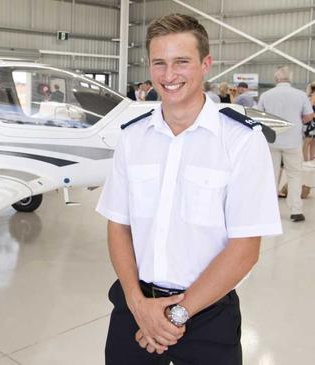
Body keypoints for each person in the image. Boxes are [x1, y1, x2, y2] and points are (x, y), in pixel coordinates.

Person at [96, 13, 281, 365]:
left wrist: (175, 316)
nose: (169, 76)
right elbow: (118, 224)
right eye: (159, 63)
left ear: (205, 64)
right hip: (134, 309)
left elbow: (245, 249)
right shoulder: (133, 137)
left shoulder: (241, 141)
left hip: (208, 316)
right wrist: (138, 305)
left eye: (181, 62)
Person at [258, 66, 314, 222]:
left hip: (272, 140)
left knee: (271, 175)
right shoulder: (301, 95)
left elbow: (259, 116)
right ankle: (296, 211)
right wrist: (298, 121)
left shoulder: (266, 95)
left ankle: (269, 211)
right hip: (293, 141)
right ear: (290, 79)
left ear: (276, 79)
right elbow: (309, 115)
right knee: (294, 174)